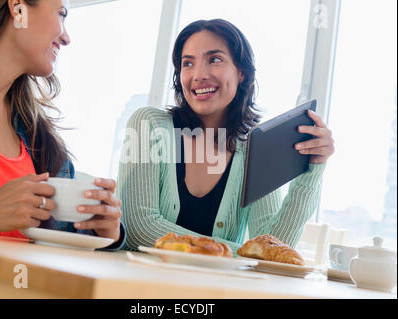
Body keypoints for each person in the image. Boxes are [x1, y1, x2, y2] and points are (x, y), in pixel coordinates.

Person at [116, 19, 334, 254]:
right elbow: (138, 228)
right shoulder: (146, 124)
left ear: (241, 72)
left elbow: (273, 251)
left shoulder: (256, 151)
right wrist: (238, 253)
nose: (199, 75)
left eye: (215, 59)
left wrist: (312, 171)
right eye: (188, 63)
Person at [0, 0, 125, 249]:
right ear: (18, 7)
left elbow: (60, 235)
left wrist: (100, 231)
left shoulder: (38, 133)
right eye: (61, 14)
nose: (66, 38)